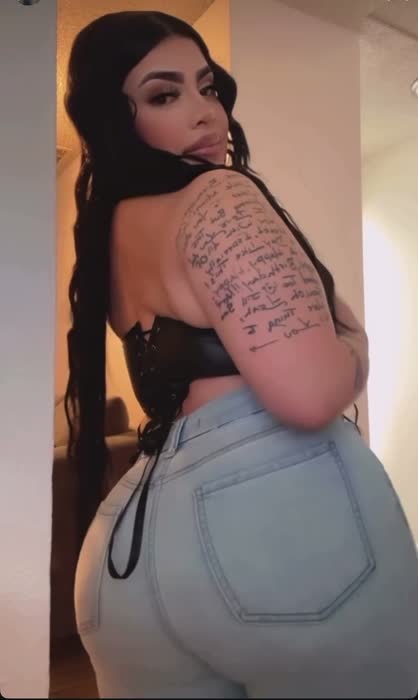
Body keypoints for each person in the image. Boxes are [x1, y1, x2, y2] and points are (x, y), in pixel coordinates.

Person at [63, 11, 418, 699]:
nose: (205, 113)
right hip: (270, 525)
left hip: (126, 546)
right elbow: (311, 394)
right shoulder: (218, 196)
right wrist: (354, 343)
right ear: (113, 118)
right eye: (165, 95)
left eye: (208, 88)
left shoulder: (112, 244)